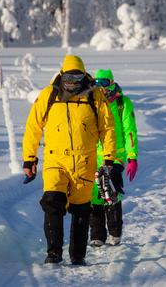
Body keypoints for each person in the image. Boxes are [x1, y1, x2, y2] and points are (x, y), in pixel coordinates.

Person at [22, 54, 117, 266]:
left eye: (77, 78)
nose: (72, 83)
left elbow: (108, 128)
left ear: (84, 76)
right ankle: (54, 253)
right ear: (62, 75)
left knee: (81, 210)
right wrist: (29, 159)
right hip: (56, 161)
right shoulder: (49, 95)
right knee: (52, 204)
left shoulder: (95, 96)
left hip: (84, 161)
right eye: (68, 79)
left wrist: (109, 158)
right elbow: (33, 128)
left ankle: (77, 255)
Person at [89, 68, 139, 247]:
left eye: (104, 83)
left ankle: (115, 232)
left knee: (109, 189)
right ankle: (97, 235)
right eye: (96, 83)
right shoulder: (92, 101)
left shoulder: (122, 103)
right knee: (95, 193)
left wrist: (132, 157)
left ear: (111, 83)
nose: (101, 88)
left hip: (116, 154)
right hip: (94, 154)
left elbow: (130, 131)